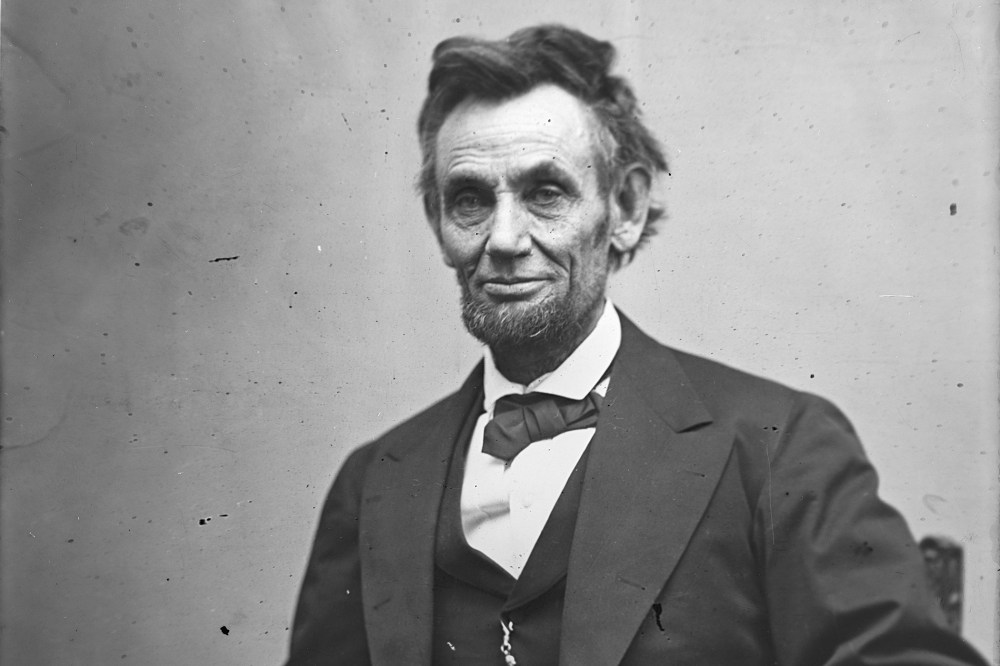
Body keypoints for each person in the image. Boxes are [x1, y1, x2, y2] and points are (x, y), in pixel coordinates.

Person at [286, 24, 989, 666]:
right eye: (470, 199)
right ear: (437, 221)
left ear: (623, 207)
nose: (503, 239)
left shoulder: (780, 447)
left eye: (545, 193)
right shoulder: (374, 482)